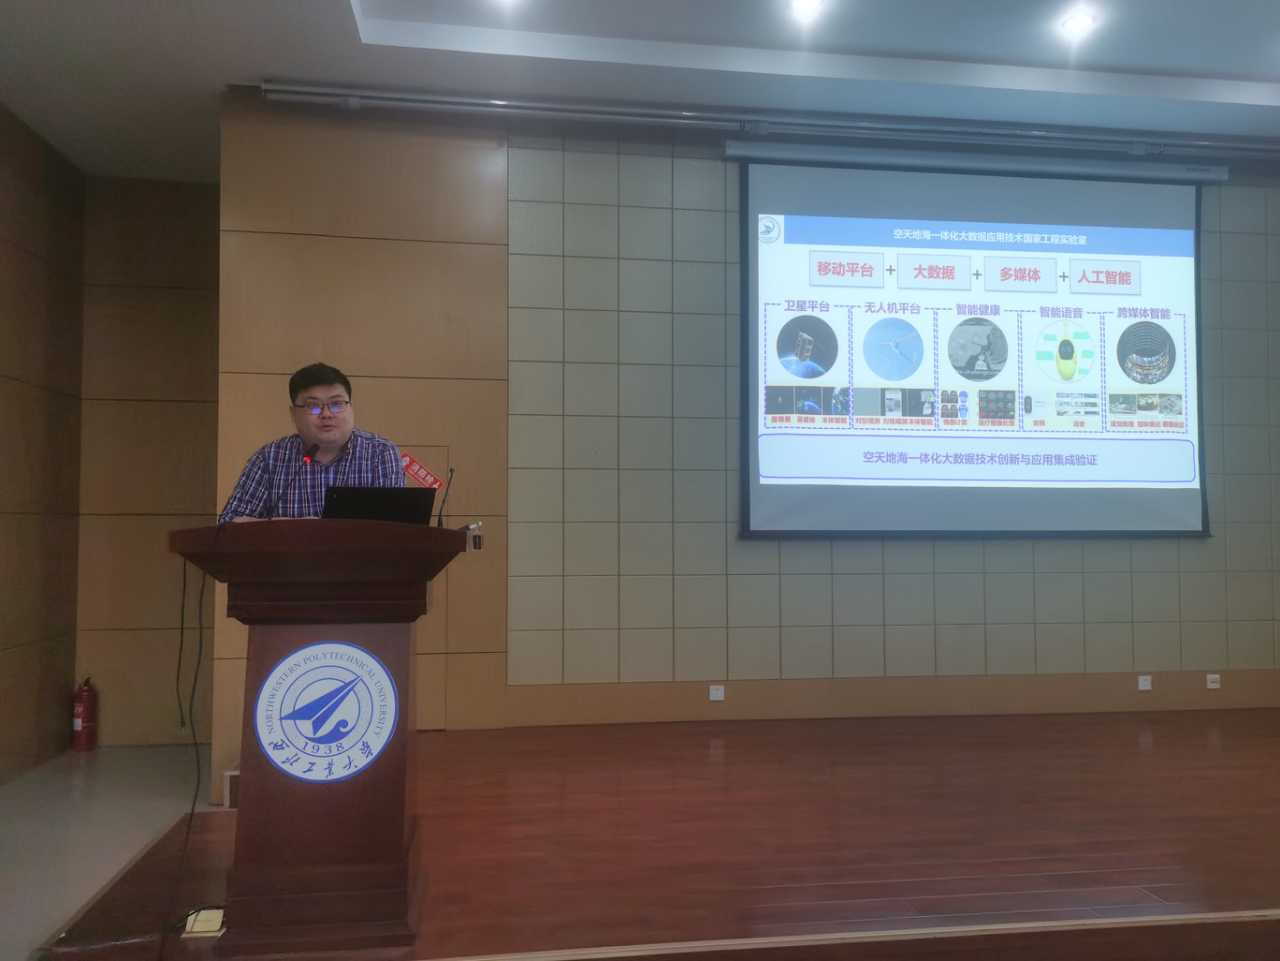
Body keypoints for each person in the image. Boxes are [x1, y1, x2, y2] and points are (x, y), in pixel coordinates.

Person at [218, 362, 403, 523]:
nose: (326, 414)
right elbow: (228, 525)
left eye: (337, 404)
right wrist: (293, 527)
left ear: (351, 408)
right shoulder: (269, 458)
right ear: (293, 413)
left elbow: (396, 526)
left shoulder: (380, 453)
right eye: (313, 406)